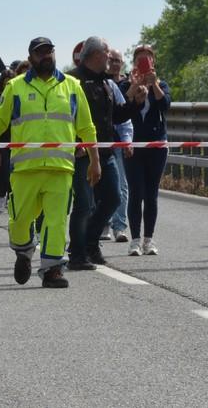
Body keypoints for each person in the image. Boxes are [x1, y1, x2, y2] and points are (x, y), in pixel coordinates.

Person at [0, 36, 100, 288]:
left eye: (49, 51)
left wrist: (95, 160)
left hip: (61, 169)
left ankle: (52, 270)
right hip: (25, 170)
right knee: (19, 221)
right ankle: (24, 251)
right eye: (40, 53)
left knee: (56, 220)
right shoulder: (15, 87)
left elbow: (86, 126)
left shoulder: (71, 86)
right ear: (31, 58)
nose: (45, 56)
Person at [67, 36, 145, 270]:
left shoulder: (106, 83)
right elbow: (66, 117)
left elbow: (116, 117)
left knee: (113, 198)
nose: (111, 60)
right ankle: (78, 254)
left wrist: (135, 101)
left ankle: (90, 243)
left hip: (106, 151)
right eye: (107, 54)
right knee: (83, 205)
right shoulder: (73, 80)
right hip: (82, 153)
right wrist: (76, 144)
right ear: (95, 55)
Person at [121, 45, 171, 256]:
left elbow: (166, 106)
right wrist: (133, 87)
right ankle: (134, 240)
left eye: (147, 60)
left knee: (151, 194)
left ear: (153, 63)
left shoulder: (162, 84)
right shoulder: (126, 83)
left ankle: (148, 240)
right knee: (136, 192)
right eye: (140, 60)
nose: (144, 63)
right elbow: (120, 106)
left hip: (156, 145)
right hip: (134, 144)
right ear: (134, 64)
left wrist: (154, 85)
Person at [104, 47, 132, 243]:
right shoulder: (98, 83)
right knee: (100, 186)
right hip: (99, 143)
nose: (114, 63)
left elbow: (124, 118)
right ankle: (102, 224)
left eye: (118, 60)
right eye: (111, 59)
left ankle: (120, 226)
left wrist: (127, 140)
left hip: (118, 143)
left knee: (121, 186)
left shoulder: (123, 85)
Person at [0, 68, 16, 213]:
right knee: (3, 170)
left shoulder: (18, 95)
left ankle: (10, 197)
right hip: (1, 140)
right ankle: (1, 197)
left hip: (16, 139)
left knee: (14, 171)